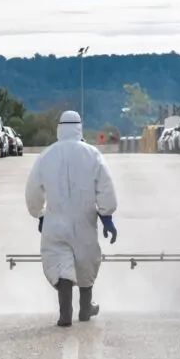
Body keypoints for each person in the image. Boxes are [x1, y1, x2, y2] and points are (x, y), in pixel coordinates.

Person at [25, 110, 118, 327]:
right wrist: (106, 216)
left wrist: (39, 213)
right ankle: (86, 308)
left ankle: (64, 313)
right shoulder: (92, 154)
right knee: (86, 261)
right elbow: (106, 187)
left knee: (60, 263)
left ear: (59, 128)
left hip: (55, 221)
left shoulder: (46, 155)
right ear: (79, 128)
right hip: (84, 220)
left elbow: (32, 191)